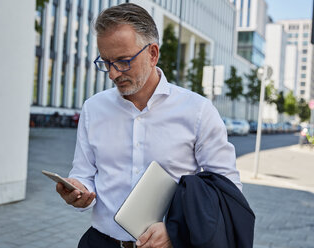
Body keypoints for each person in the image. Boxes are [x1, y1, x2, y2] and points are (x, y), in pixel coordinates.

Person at [56, 3, 242, 248]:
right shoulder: (93, 108)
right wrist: (79, 192)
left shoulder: (198, 111)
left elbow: (228, 190)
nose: (112, 74)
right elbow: (84, 174)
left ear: (153, 53)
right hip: (101, 242)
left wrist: (177, 230)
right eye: (106, 62)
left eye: (122, 61)